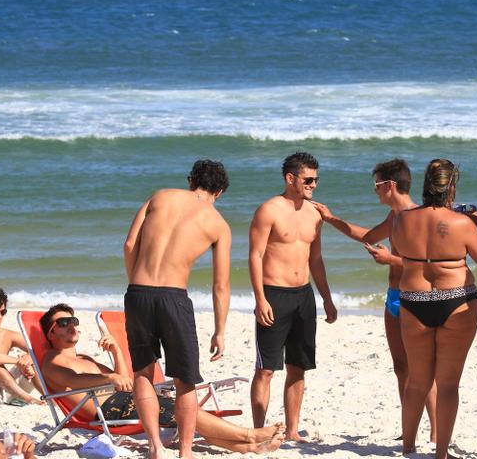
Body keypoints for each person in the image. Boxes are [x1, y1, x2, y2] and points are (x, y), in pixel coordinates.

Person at [39, 304, 284, 454]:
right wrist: (109, 377)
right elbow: (72, 380)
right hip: (106, 410)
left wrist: (115, 353)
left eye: (73, 320)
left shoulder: (85, 358)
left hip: (123, 400)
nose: (71, 325)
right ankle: (251, 435)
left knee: (187, 415)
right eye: (63, 322)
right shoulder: (52, 361)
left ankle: (250, 447)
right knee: (184, 412)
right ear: (51, 332)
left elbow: (124, 378)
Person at [311, 158, 437, 441]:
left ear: (391, 185)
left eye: (377, 185)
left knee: (423, 371)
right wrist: (332, 219)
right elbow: (368, 236)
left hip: (416, 298)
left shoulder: (420, 215)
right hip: (394, 297)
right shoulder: (394, 216)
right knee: (401, 368)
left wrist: (389, 258)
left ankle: (436, 433)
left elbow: (430, 264)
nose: (375, 191)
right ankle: (411, 431)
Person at [123, 159, 232, 459]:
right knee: (185, 380)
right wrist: (220, 331)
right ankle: (185, 452)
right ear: (219, 191)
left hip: (138, 292)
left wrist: (136, 285)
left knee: (143, 373)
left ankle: (155, 446)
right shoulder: (218, 224)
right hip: (174, 297)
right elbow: (220, 285)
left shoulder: (159, 197)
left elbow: (130, 244)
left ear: (191, 181)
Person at [391, 158, 477, 458]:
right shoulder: (462, 222)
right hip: (455, 299)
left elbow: (399, 248)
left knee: (417, 382)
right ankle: (441, 452)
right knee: (447, 385)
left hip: (414, 300)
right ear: (452, 186)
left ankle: (408, 447)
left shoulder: (401, 219)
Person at [249, 152, 337, 442]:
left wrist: (326, 297)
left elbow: (317, 259)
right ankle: (260, 430)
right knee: (265, 370)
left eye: (316, 180)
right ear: (290, 178)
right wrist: (260, 298)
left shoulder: (315, 213)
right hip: (274, 295)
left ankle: (292, 430)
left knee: (298, 367)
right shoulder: (269, 210)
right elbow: (255, 255)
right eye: (308, 179)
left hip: (303, 296)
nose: (313, 185)